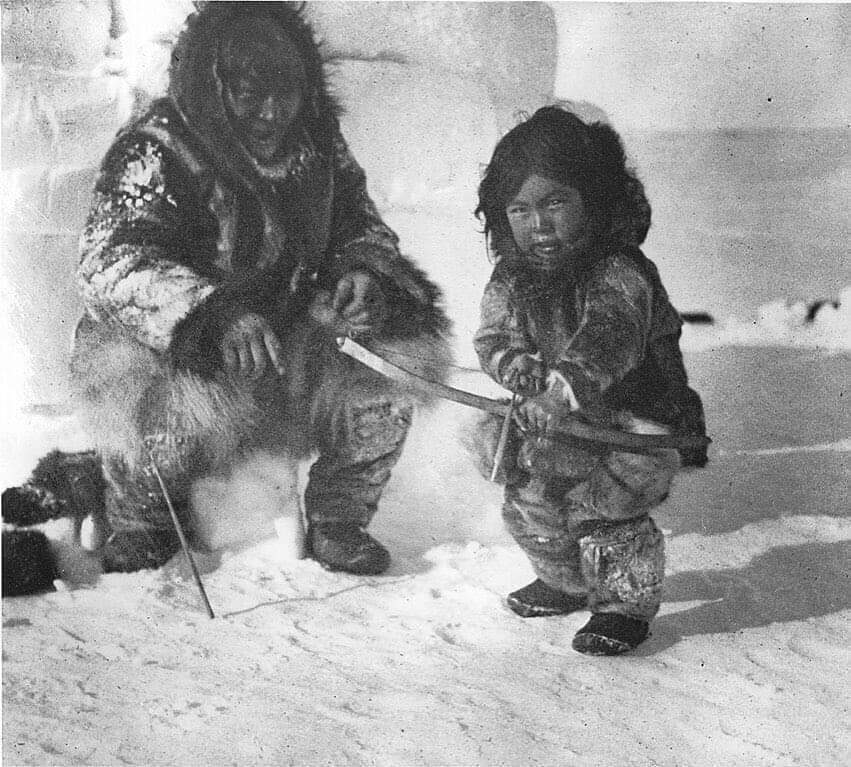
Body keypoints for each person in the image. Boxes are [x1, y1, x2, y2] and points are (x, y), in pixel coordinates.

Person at [2, 1, 451, 594]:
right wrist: (214, 315)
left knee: (396, 362)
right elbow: (111, 261)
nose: (272, 113)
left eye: (286, 94)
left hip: (280, 348)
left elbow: (362, 228)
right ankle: (140, 514)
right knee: (162, 416)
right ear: (213, 89)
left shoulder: (317, 148)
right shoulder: (156, 148)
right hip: (170, 357)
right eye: (249, 94)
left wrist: (362, 272)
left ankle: (339, 518)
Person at [471, 105, 707, 655]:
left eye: (556, 202)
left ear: (594, 199)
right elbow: (493, 337)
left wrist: (562, 388)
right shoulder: (511, 276)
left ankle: (623, 605)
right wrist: (516, 366)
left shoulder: (620, 271)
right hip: (555, 419)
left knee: (606, 510)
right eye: (520, 209)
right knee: (531, 499)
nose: (539, 224)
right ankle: (564, 582)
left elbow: (611, 336)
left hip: (633, 419)